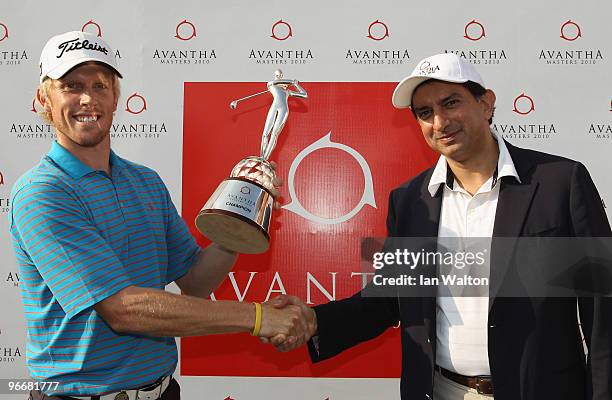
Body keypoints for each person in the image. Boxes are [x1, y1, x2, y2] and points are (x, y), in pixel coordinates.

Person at [268, 53, 612, 400]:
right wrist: (314, 321)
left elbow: (602, 309)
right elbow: (389, 298)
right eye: (424, 113)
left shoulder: (560, 182)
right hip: (442, 391)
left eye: (451, 103)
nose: (439, 122)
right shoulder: (409, 201)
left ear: (486, 103)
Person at [9, 31, 312, 400]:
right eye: (71, 85)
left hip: (163, 391)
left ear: (116, 96)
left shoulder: (145, 182)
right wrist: (260, 318)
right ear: (44, 98)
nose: (88, 98)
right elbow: (123, 309)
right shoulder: (43, 192)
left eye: (100, 85)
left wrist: (240, 215)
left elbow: (196, 282)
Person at [260, 70, 307, 160]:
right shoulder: (272, 85)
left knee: (274, 134)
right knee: (265, 133)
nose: (278, 77)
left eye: (280, 75)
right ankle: (261, 157)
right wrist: (292, 82)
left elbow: (304, 95)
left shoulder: (287, 91)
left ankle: (265, 159)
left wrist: (296, 84)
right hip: (274, 108)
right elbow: (272, 82)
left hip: (283, 110)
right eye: (277, 76)